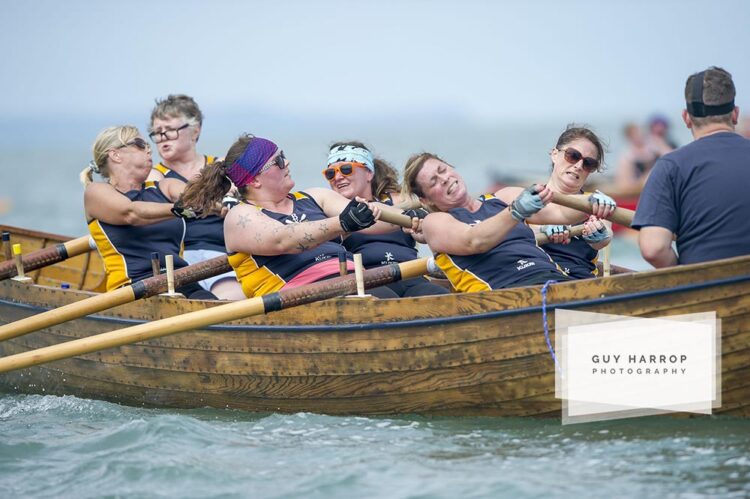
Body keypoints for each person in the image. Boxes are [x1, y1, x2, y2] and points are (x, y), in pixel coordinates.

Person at [179, 134, 411, 299]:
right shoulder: (240, 216)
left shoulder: (314, 196)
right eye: (278, 161)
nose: (287, 162)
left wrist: (412, 219)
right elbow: (283, 239)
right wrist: (341, 223)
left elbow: (373, 221)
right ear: (255, 180)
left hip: (355, 283)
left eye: (284, 156)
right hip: (299, 300)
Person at [401, 152, 616, 292]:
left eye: (443, 170)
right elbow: (473, 241)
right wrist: (516, 212)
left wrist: (591, 201)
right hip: (505, 296)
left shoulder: (502, 197)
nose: (445, 179)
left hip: (555, 282)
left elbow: (560, 212)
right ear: (425, 199)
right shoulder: (435, 222)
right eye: (434, 182)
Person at [80, 125, 215, 299]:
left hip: (182, 281)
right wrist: (179, 209)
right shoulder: (96, 192)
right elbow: (131, 213)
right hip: (132, 290)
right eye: (140, 144)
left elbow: (197, 198)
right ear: (115, 155)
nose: (149, 149)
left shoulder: (166, 186)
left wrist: (221, 200)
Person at [633, 66, 750, 267]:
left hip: (706, 289)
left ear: (686, 118)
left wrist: (683, 273)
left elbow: (654, 249)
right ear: (735, 114)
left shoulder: (671, 166)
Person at [146, 94, 243, 300]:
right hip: (179, 261)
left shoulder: (221, 165)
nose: (162, 138)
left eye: (170, 131)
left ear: (195, 130)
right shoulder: (154, 176)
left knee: (235, 301)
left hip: (222, 257)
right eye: (156, 133)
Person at [324, 141, 449, 296]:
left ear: (369, 173)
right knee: (387, 302)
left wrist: (422, 229)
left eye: (346, 169)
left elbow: (429, 228)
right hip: (369, 280)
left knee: (440, 296)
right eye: (330, 173)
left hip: (411, 275)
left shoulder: (400, 200)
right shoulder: (329, 214)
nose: (337, 177)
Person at [531, 125, 613, 279]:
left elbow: (605, 235)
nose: (578, 166)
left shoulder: (595, 203)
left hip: (579, 281)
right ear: (554, 154)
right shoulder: (527, 199)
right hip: (533, 279)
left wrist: (599, 236)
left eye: (588, 163)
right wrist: (542, 231)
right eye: (573, 156)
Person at [614, 122, 658, 197]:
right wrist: (644, 180)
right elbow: (623, 186)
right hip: (638, 195)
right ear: (629, 137)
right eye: (636, 133)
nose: (640, 135)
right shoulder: (626, 157)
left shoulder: (655, 151)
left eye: (641, 132)